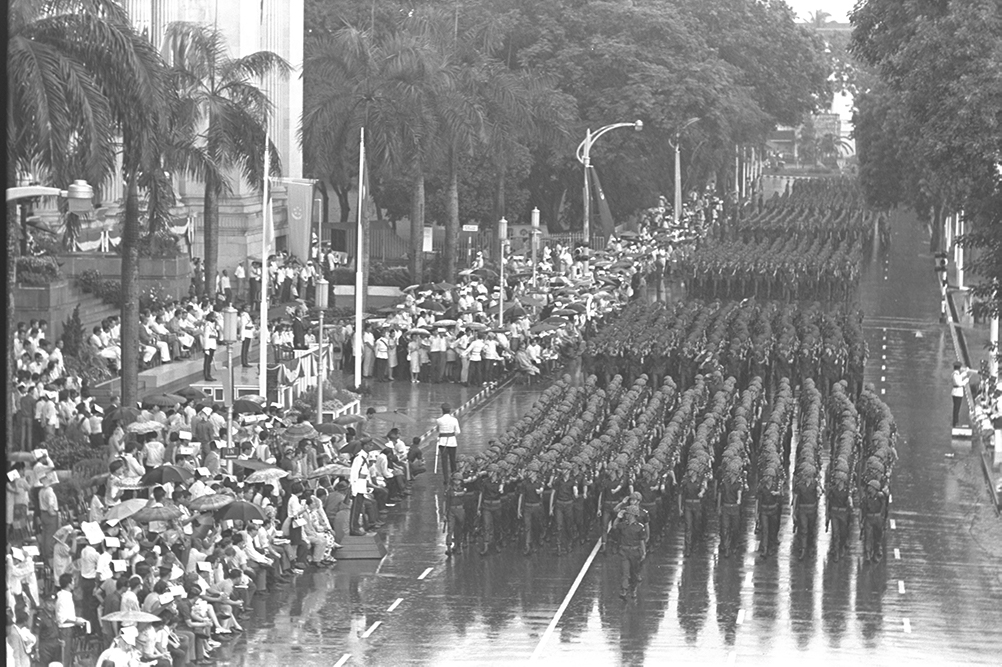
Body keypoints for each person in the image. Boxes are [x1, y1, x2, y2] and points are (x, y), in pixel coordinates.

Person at [615, 505, 648, 600]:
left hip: (635, 552)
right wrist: (618, 517)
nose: (626, 515)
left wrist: (644, 552)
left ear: (632, 515)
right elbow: (614, 526)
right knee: (625, 572)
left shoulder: (639, 527)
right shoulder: (623, 525)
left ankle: (633, 589)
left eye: (627, 514)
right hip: (624, 551)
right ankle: (624, 590)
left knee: (634, 573)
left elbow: (642, 541)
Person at [55, 573, 88, 667]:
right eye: (73, 582)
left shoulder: (67, 596)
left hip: (69, 629)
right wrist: (75, 622)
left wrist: (76, 619)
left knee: (69, 654)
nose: (74, 584)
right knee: (64, 655)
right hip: (65, 630)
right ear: (69, 584)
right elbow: (61, 619)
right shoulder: (63, 598)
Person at [436, 403, 461, 484]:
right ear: (450, 411)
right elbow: (458, 432)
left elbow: (437, 430)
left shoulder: (439, 420)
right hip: (452, 442)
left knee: (444, 462)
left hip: (442, 442)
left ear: (442, 410)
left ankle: (446, 479)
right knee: (452, 460)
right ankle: (454, 476)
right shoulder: (454, 420)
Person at [952, 362, 972, 428]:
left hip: (958, 393)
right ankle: (955, 423)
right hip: (957, 393)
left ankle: (956, 422)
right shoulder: (955, 375)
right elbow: (959, 383)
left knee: (957, 408)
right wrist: (966, 380)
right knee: (956, 409)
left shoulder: (957, 374)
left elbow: (961, 376)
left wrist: (966, 371)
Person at [201, 313, 218, 381]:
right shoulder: (208, 325)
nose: (215, 319)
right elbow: (206, 337)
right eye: (214, 317)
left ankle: (209, 374)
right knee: (207, 361)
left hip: (212, 344)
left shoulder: (212, 325)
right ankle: (206, 375)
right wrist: (206, 348)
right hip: (209, 344)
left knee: (209, 361)